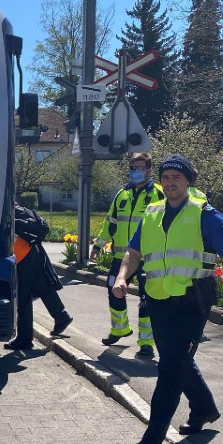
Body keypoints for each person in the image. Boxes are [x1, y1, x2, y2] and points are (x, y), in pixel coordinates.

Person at [112, 154, 223, 444]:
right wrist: (122, 277)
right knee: (178, 361)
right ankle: (204, 409)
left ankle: (151, 442)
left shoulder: (205, 215)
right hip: (159, 300)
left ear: (188, 181)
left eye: (177, 177)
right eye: (166, 177)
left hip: (192, 303)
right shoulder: (152, 213)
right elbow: (134, 252)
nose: (170, 182)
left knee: (170, 368)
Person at [92, 152, 164, 358]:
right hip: (121, 257)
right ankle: (120, 329)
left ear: (149, 171)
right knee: (113, 289)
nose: (135, 172)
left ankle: (146, 342)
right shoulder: (122, 194)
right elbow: (110, 222)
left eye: (140, 168)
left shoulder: (159, 194)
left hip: (148, 259)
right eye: (133, 168)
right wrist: (98, 245)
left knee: (147, 299)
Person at [6, 201, 73, 350]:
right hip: (31, 250)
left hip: (22, 254)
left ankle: (24, 339)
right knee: (42, 285)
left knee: (23, 296)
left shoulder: (0, 206)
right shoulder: (13, 205)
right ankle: (61, 316)